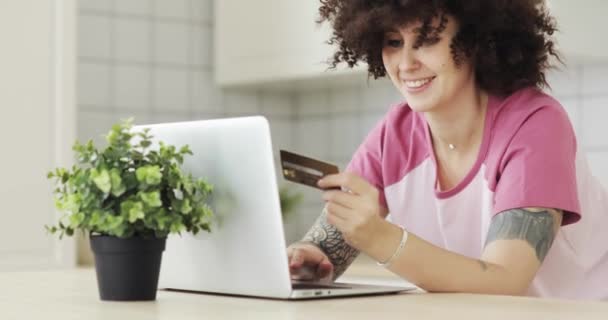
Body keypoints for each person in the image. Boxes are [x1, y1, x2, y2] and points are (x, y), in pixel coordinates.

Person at [286, 0, 608, 300]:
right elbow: (329, 243)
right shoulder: (394, 135)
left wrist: (379, 237)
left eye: (427, 40)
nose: (407, 64)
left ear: (477, 40)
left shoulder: (535, 124)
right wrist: (308, 257)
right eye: (394, 42)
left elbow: (505, 280)